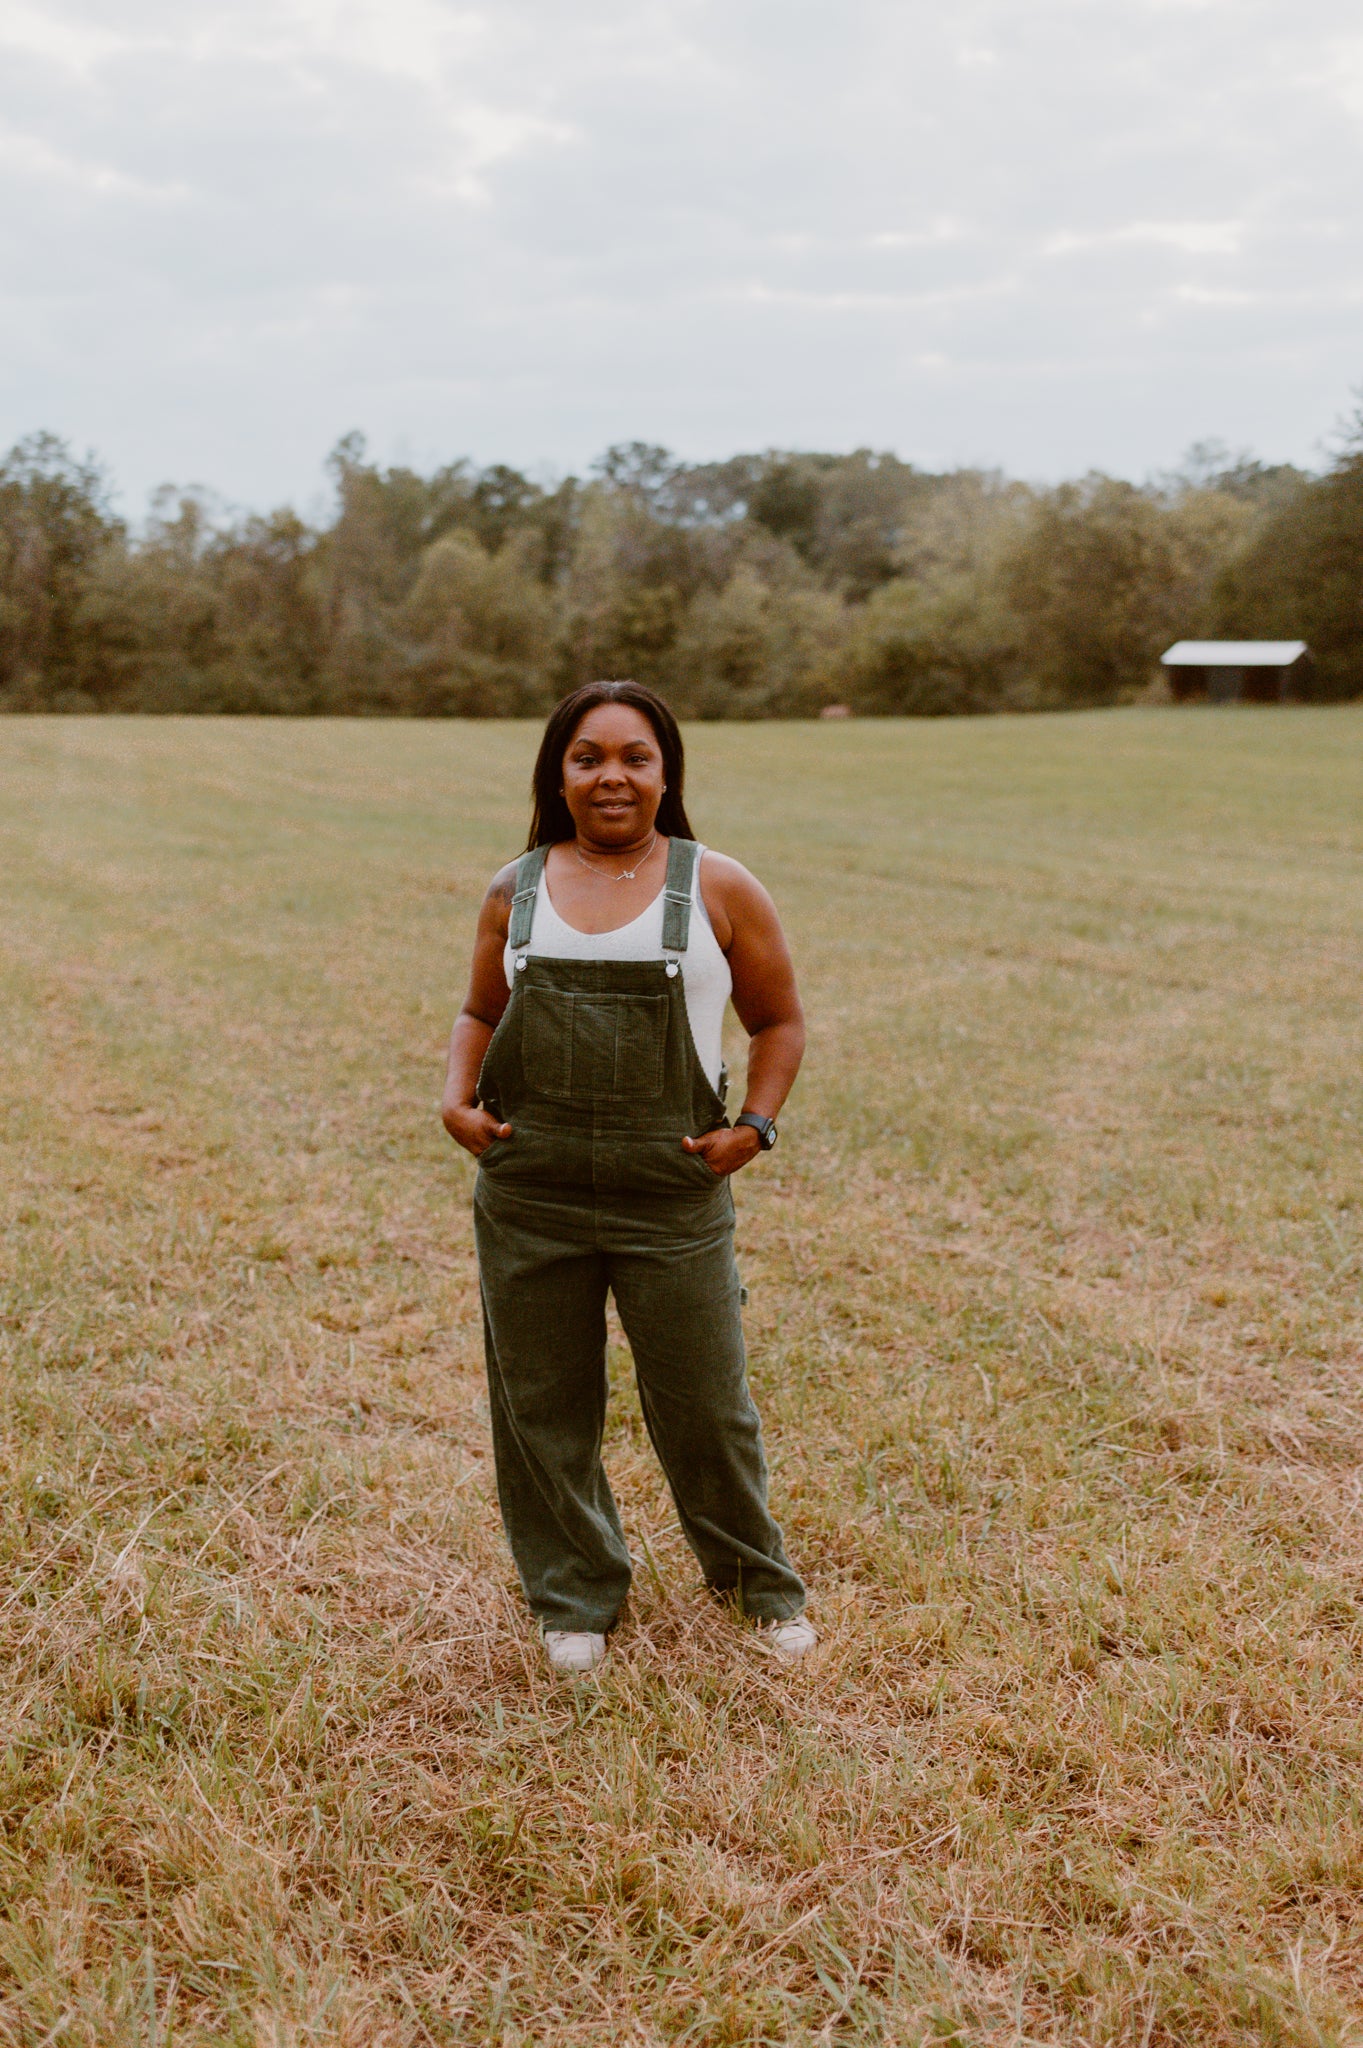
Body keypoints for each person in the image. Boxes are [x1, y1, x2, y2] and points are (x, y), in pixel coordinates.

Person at [442, 681, 814, 1677]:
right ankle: (574, 1592)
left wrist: (757, 1127)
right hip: (532, 1191)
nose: (611, 774)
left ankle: (757, 1584)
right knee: (543, 1402)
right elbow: (478, 1012)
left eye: (634, 756)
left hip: (672, 1191)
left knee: (704, 1399)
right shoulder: (513, 887)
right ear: (557, 775)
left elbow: (779, 1021)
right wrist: (454, 1098)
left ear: (666, 771)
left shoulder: (720, 887)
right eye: (587, 756)